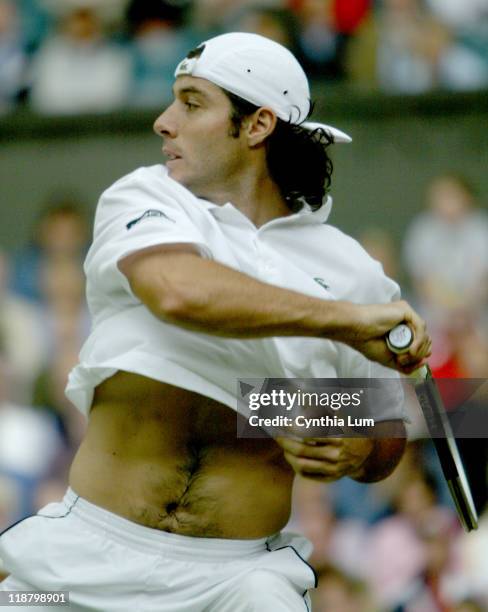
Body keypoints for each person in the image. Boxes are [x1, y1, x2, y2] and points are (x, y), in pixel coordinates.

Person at [0, 32, 431, 611]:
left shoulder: (354, 273)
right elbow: (177, 293)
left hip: (239, 582)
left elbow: (382, 439)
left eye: (191, 102)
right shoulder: (145, 195)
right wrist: (346, 322)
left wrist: (356, 444)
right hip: (76, 559)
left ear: (256, 126)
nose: (163, 121)